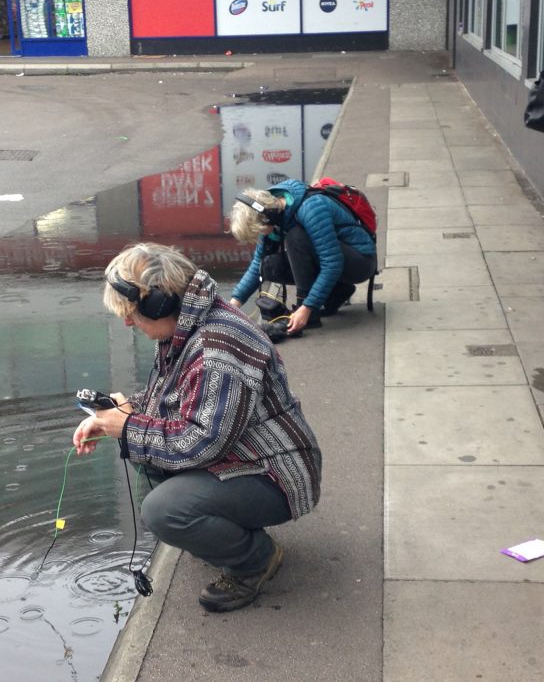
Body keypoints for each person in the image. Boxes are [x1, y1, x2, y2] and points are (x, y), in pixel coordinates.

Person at [72, 242, 322, 613]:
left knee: (163, 511)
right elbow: (176, 402)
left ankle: (256, 560)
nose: (127, 322)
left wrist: (128, 428)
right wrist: (121, 412)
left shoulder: (217, 348)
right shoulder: (186, 325)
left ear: (159, 303)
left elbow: (200, 443)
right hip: (246, 457)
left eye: (130, 312)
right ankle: (222, 534)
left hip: (277, 475)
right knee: (148, 454)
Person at [230, 180, 377, 336]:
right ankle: (338, 290)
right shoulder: (271, 211)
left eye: (259, 232)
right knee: (269, 266)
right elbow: (257, 266)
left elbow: (333, 263)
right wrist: (233, 304)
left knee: (296, 237)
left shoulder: (311, 208)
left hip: (360, 262)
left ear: (267, 218)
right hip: (336, 258)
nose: (260, 236)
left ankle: (309, 316)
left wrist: (306, 307)